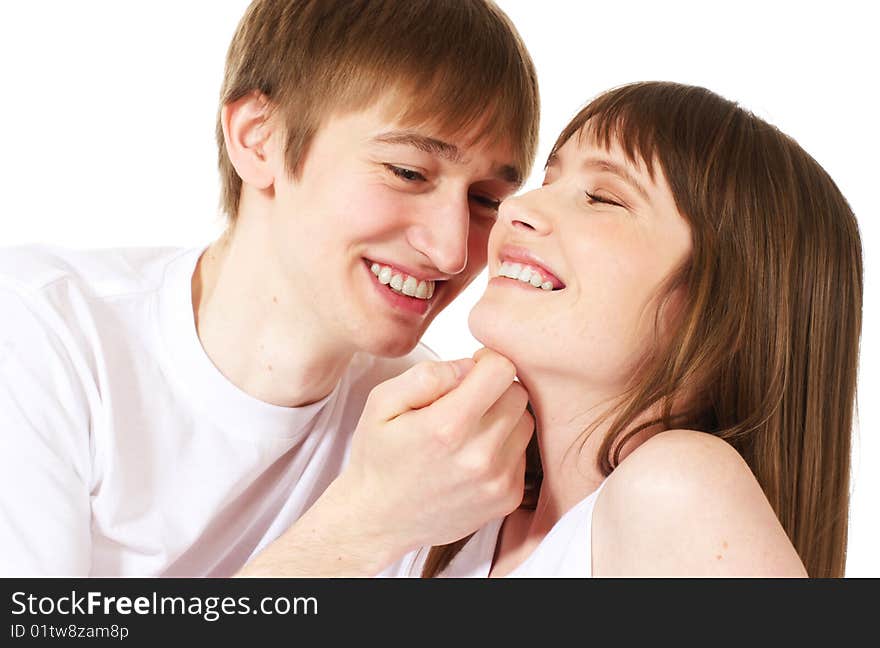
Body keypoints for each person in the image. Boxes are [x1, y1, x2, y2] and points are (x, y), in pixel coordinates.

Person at [0, 0, 540, 577]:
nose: (453, 250)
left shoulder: (432, 434)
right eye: (408, 172)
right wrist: (364, 524)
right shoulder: (42, 332)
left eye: (486, 201)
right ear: (259, 139)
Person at [415, 82, 863, 578]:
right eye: (548, 180)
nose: (517, 208)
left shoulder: (678, 487)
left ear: (721, 310)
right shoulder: (454, 510)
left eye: (603, 198)